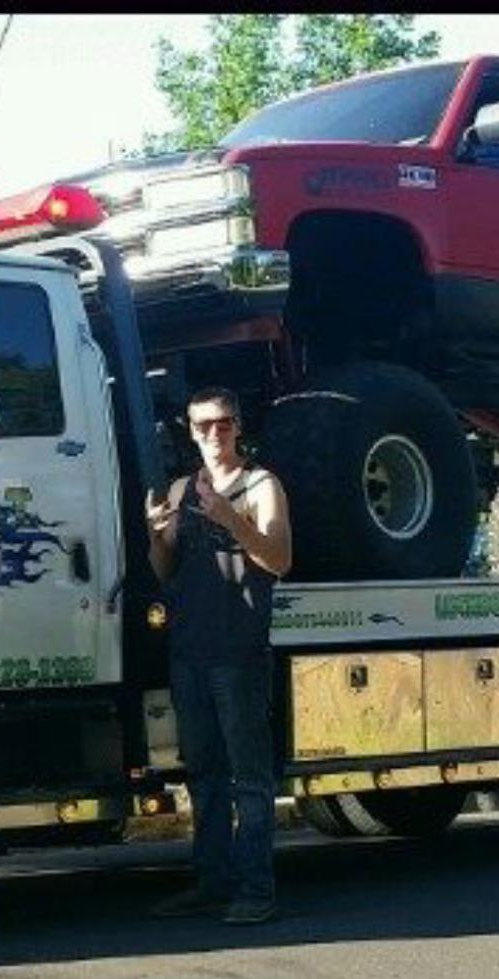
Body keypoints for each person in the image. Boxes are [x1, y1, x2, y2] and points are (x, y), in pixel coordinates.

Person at [145, 385, 293, 925]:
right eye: (203, 425)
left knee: (249, 778)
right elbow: (165, 572)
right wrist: (158, 536)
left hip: (239, 652)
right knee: (203, 775)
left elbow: (279, 559)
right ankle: (212, 883)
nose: (213, 434)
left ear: (238, 426)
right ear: (189, 429)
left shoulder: (261, 485)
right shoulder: (183, 489)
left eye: (223, 423)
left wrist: (232, 520)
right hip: (189, 652)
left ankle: (257, 890)